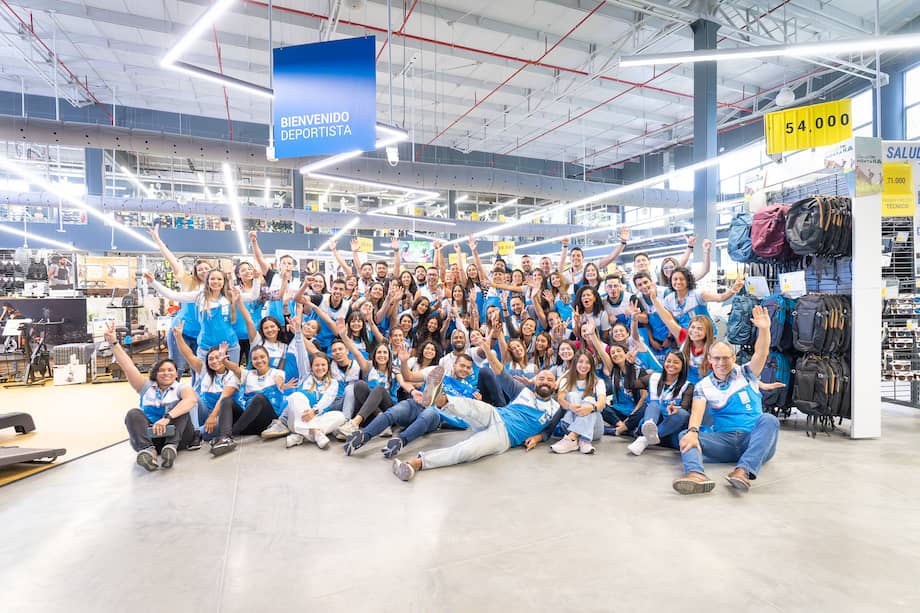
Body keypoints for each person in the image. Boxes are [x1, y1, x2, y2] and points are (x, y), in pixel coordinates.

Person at [672, 305, 781, 495]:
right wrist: (692, 432)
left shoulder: (747, 374)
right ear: (710, 359)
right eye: (717, 359)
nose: (721, 363)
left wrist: (764, 329)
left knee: (769, 420)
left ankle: (743, 471)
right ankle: (696, 475)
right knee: (686, 435)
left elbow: (761, 353)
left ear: (733, 357)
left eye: (726, 358)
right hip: (724, 442)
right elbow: (697, 412)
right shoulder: (703, 385)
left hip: (754, 440)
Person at [389, 364, 562, 482]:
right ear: (535, 382)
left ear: (555, 385)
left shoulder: (557, 408)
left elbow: (549, 431)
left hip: (504, 436)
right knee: (469, 406)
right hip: (496, 414)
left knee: (466, 451)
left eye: (549, 379)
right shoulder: (523, 392)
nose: (545, 381)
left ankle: (415, 463)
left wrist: (538, 438)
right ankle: (437, 399)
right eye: (541, 378)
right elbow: (501, 372)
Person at [342, 346, 476, 458]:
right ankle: (362, 436)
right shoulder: (438, 371)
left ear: (471, 370)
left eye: (468, 367)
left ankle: (400, 441)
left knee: (431, 411)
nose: (464, 369)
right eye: (462, 365)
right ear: (454, 365)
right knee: (395, 411)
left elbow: (464, 421)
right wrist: (404, 362)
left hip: (436, 416)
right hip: (418, 403)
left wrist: (449, 406)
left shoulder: (470, 391)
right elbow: (409, 376)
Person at [106, 322, 196, 471]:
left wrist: (167, 418)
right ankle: (149, 451)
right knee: (133, 413)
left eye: (170, 370)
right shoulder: (146, 387)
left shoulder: (181, 387)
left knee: (181, 410)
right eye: (162, 370)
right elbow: (128, 366)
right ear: (155, 373)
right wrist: (114, 343)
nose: (166, 373)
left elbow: (191, 400)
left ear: (176, 373)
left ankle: (170, 449)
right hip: (151, 437)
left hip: (177, 436)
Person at [171, 322, 240, 456]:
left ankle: (192, 433)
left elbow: (224, 397)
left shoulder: (233, 375)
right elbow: (188, 355)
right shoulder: (205, 373)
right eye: (210, 359)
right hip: (205, 415)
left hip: (222, 417)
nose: (214, 361)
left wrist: (213, 417)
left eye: (217, 357)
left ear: (225, 358)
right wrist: (179, 337)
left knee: (206, 430)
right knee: (190, 394)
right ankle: (196, 433)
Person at [627, 350, 692, 456]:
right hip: (654, 420)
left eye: (676, 362)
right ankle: (649, 429)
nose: (671, 364)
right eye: (668, 361)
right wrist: (630, 365)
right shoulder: (653, 377)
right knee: (653, 405)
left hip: (672, 427)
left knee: (683, 414)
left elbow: (684, 408)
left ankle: (645, 439)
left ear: (682, 366)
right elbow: (630, 385)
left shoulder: (687, 386)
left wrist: (676, 408)